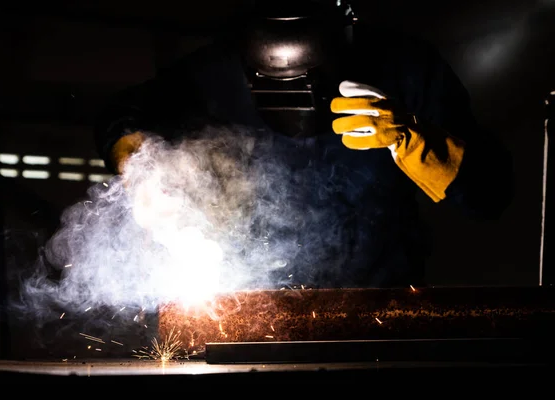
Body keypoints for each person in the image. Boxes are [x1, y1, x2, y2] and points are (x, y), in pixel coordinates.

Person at [93, 0, 514, 289]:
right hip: (254, 305)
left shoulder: (407, 68)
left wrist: (417, 141)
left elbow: (491, 195)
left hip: (383, 305)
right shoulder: (211, 73)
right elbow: (122, 115)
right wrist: (142, 168)